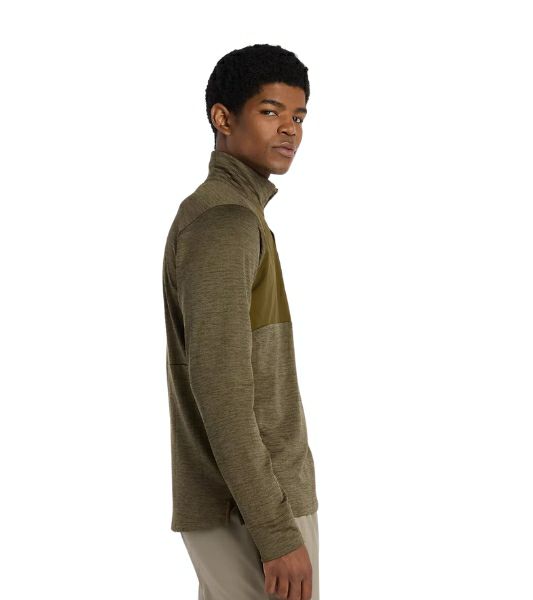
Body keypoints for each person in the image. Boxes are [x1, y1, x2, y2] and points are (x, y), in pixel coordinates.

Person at [162, 43, 319, 600]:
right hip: (250, 509)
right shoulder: (224, 221)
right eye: (271, 111)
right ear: (223, 118)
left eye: (299, 115)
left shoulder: (233, 214)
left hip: (247, 504)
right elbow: (222, 387)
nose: (290, 129)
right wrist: (276, 531)